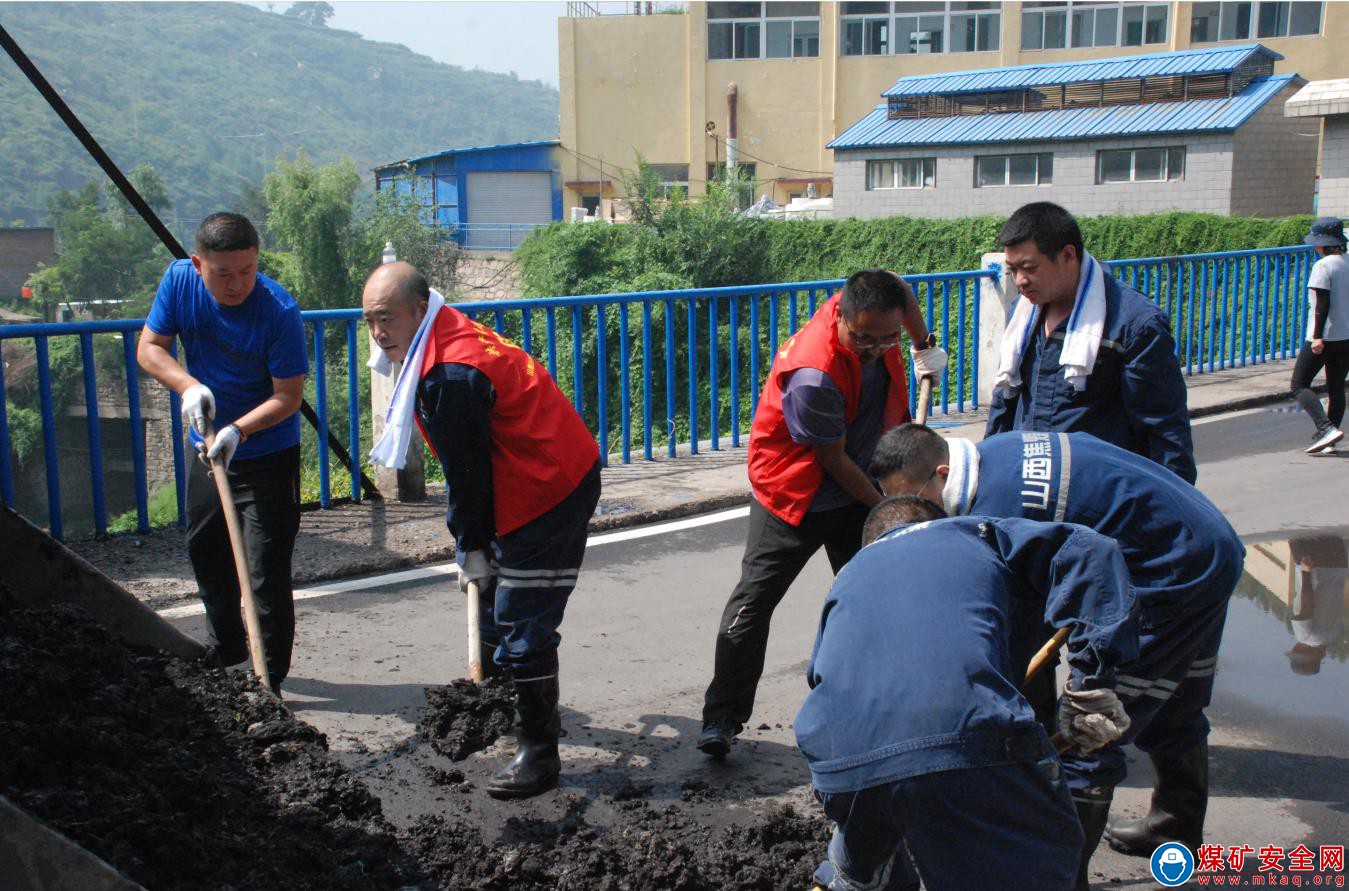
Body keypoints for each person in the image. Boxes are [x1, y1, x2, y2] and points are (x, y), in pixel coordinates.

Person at [871, 424, 1245, 888]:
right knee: (1176, 700)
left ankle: (1065, 879)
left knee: (1092, 723)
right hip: (1204, 539)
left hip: (1170, 572)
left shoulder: (998, 511)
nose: (924, 518)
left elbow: (1029, 622)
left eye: (924, 504)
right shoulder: (997, 453)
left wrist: (1085, 684)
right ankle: (1175, 826)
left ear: (942, 472)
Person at [798, 495, 1139, 891]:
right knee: (1035, 860)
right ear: (936, 520)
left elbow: (821, 677)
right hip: (964, 735)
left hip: (838, 758)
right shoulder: (976, 533)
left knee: (862, 864)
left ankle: (846, 877)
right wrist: (1090, 685)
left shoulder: (849, 576)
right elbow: (1093, 551)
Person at [361, 262, 600, 800]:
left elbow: (465, 475)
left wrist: (469, 543)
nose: (378, 332)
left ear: (418, 311)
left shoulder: (450, 373)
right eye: (369, 320)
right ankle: (493, 708)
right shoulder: (439, 333)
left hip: (549, 485)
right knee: (493, 593)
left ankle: (539, 753)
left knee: (522, 614)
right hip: (526, 467)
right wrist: (475, 545)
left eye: (386, 318)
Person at [697, 270, 947, 758]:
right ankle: (722, 717)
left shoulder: (873, 305)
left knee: (877, 601)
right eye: (864, 339)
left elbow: (899, 287)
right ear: (842, 317)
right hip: (797, 493)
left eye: (886, 339)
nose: (876, 349)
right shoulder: (814, 374)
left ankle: (884, 713)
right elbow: (833, 462)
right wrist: (891, 508)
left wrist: (922, 344)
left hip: (862, 482)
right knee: (754, 602)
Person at [136, 212, 308, 694]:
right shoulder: (179, 281)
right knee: (206, 549)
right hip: (207, 451)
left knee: (264, 569)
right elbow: (150, 348)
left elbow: (287, 397)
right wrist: (188, 386)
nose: (237, 285)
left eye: (247, 270)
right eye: (223, 273)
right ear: (198, 264)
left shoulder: (279, 312)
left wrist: (238, 430)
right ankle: (228, 648)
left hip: (268, 452)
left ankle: (267, 679)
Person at [986, 202, 1196, 484]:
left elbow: (1164, 431)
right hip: (1031, 487)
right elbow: (1005, 404)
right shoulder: (1021, 316)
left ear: (1068, 255)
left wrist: (1174, 509)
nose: (1020, 281)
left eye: (1029, 268)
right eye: (1013, 270)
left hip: (1100, 496)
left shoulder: (1133, 325)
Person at [1291, 217, 1349, 454]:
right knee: (1335, 386)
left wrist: (1316, 337)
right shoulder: (1347, 262)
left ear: (1323, 243)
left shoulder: (1323, 266)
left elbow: (1321, 305)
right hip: (1346, 335)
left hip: (1324, 336)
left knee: (1298, 384)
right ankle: (1330, 438)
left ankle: (1325, 428)